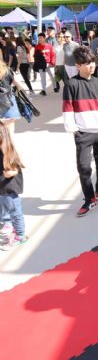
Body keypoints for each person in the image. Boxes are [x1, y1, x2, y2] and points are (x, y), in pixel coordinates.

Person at [63, 46, 98, 217]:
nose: (92, 66)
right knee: (84, 167)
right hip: (83, 133)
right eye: (87, 63)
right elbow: (68, 109)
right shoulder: (71, 84)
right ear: (78, 65)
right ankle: (89, 198)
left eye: (93, 62)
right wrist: (73, 129)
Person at [0, 121, 28, 251]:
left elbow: (18, 167)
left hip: (9, 190)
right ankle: (8, 225)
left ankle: (21, 235)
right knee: (4, 209)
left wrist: (12, 172)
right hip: (2, 189)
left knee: (15, 212)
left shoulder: (8, 151)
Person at [0, 61, 23, 135]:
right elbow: (16, 84)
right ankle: (9, 145)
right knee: (10, 132)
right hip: (9, 100)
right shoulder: (7, 70)